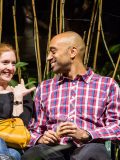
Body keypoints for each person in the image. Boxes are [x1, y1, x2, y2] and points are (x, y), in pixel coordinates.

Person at [21, 31, 120, 160]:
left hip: (89, 147)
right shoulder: (45, 87)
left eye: (53, 51)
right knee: (33, 156)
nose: (48, 57)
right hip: (53, 149)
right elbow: (33, 129)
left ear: (72, 52)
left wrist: (87, 134)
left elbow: (117, 126)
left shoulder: (107, 85)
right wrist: (41, 138)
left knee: (93, 154)